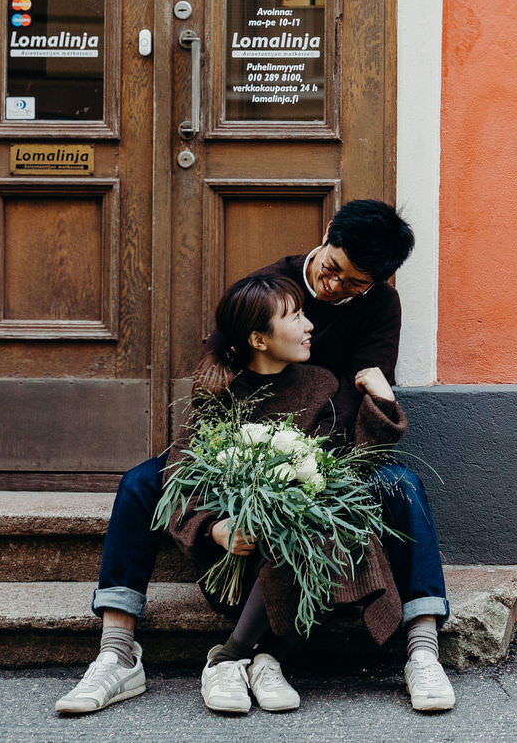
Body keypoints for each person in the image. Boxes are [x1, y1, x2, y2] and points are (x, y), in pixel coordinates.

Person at [55, 199, 456, 715]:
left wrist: (375, 408)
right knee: (140, 482)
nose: (336, 289)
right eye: (334, 271)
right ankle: (117, 651)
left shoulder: (378, 306)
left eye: (356, 284)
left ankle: (421, 648)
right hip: (236, 443)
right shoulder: (269, 290)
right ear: (328, 233)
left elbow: (363, 403)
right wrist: (215, 515)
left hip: (328, 443)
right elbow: (212, 387)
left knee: (400, 485)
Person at [164, 272, 415, 714]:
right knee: (297, 520)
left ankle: (251, 657)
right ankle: (247, 657)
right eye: (295, 316)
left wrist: (382, 405)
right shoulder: (219, 393)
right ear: (259, 340)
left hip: (305, 559)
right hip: (236, 560)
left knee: (314, 514)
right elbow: (179, 476)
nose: (309, 325)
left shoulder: (321, 385)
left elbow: (349, 465)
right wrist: (215, 529)